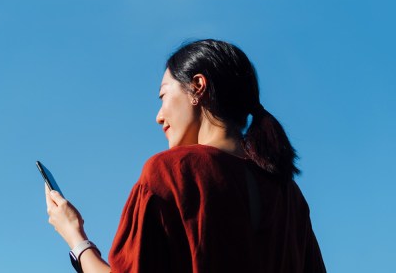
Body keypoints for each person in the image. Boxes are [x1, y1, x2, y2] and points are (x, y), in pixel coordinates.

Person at [45, 39, 326, 273]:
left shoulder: (170, 172)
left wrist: (75, 236)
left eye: (163, 96)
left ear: (198, 87)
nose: (158, 117)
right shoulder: (289, 194)